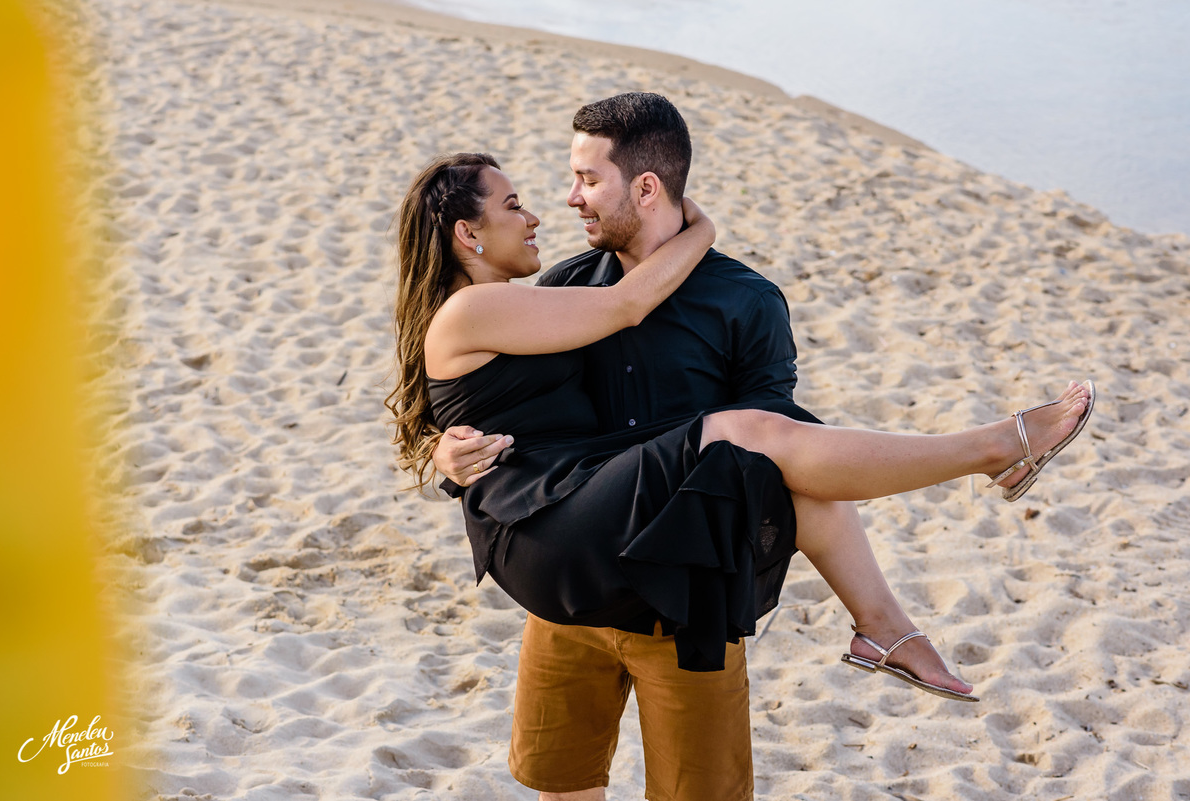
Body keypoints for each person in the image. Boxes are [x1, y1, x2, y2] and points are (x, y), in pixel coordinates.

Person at [410, 95, 1093, 801]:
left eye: (586, 178)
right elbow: (489, 400)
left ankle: (914, 575)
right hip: (572, 587)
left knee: (765, 442)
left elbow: (784, 441)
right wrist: (444, 455)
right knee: (565, 787)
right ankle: (978, 475)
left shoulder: (745, 301)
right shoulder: (565, 288)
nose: (566, 199)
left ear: (644, 187)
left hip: (684, 600)